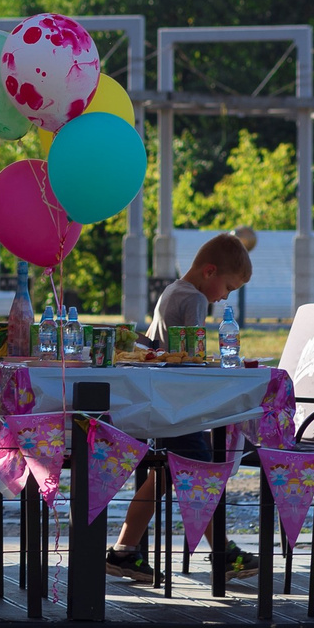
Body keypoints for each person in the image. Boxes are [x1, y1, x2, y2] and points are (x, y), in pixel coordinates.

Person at [109, 233, 260, 585]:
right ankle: (223, 554)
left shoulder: (172, 290)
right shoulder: (194, 299)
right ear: (210, 272)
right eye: (228, 288)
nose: (225, 297)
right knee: (200, 473)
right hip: (179, 406)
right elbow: (188, 358)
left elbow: (155, 347)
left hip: (161, 401)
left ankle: (124, 550)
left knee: (165, 476)